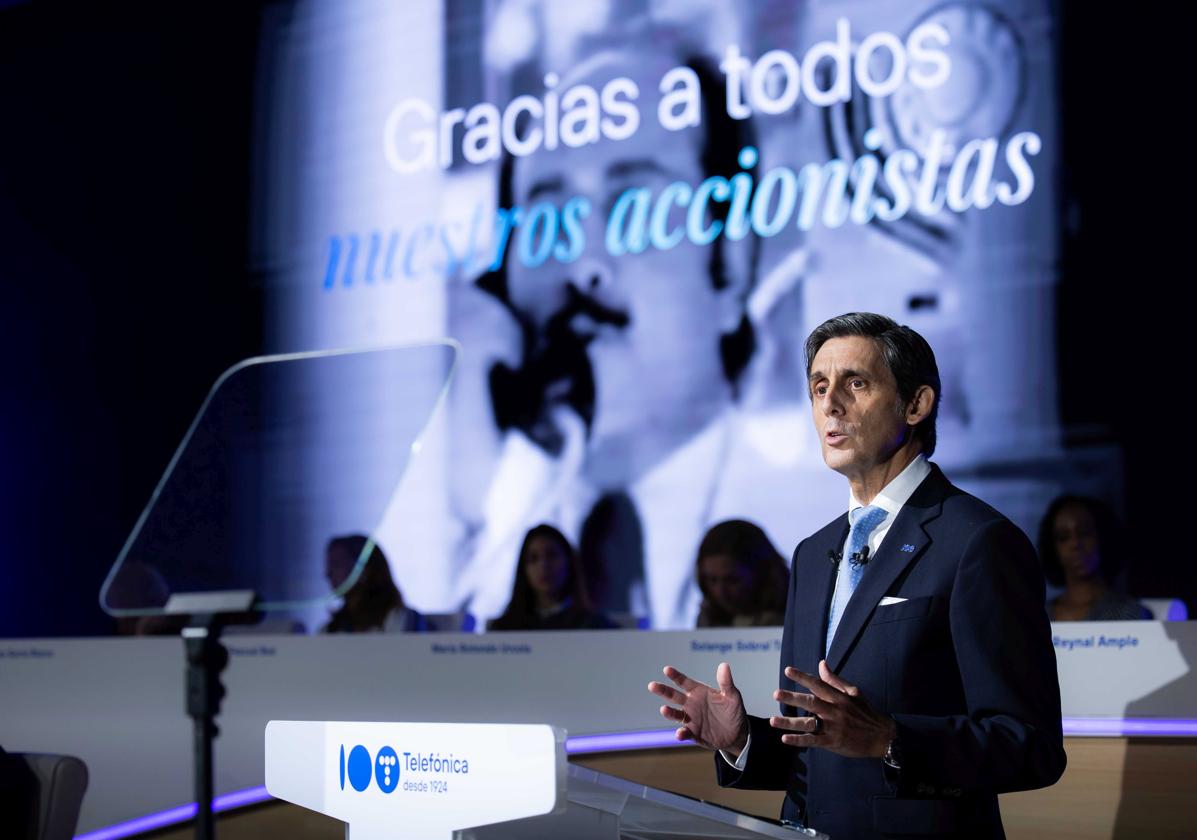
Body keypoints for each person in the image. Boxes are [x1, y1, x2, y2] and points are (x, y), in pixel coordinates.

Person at [452, 39, 843, 628]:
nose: (585, 267)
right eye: (547, 216)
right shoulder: (480, 545)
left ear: (732, 262)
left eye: (634, 206)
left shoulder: (823, 523)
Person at [648, 312, 1066, 839]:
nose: (830, 404)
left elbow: (1030, 747)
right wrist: (742, 741)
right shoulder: (811, 553)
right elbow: (821, 747)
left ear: (916, 405)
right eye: (819, 387)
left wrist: (891, 739)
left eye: (855, 383)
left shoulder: (978, 542)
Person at [1039, 495, 1148, 621]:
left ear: (1103, 537)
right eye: (1064, 537)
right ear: (1052, 548)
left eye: (1084, 533)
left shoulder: (1129, 612)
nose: (1075, 543)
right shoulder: (1040, 615)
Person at [488, 524, 615, 631]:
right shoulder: (503, 631)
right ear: (523, 569)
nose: (544, 565)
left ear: (569, 562)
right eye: (533, 558)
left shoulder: (595, 627)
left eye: (552, 555)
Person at [322, 535, 426, 633]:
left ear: (364, 569)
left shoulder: (403, 621)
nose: (328, 573)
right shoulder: (330, 631)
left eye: (337, 564)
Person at [695, 520, 788, 627]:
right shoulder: (707, 617)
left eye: (733, 580)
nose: (720, 592)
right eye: (712, 580)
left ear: (764, 575)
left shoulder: (797, 618)